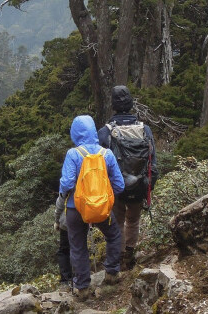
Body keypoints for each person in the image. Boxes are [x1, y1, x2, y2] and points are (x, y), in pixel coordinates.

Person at [60, 115, 125, 300]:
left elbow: (66, 184)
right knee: (113, 235)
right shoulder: (107, 154)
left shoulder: (73, 154)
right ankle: (112, 274)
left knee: (78, 246)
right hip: (102, 209)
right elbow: (119, 185)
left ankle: (82, 288)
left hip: (76, 208)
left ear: (74, 133)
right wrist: (103, 195)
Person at [97, 86, 158, 270]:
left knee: (118, 220)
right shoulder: (144, 129)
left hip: (116, 186)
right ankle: (130, 255)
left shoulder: (105, 132)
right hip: (140, 184)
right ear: (131, 103)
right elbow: (152, 160)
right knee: (133, 220)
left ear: (113, 105)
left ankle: (119, 255)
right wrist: (150, 185)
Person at [53, 194, 73, 291]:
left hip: (67, 220)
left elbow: (60, 202)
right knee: (80, 248)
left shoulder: (68, 179)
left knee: (64, 250)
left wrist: (57, 221)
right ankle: (81, 277)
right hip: (85, 218)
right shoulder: (90, 179)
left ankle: (66, 280)